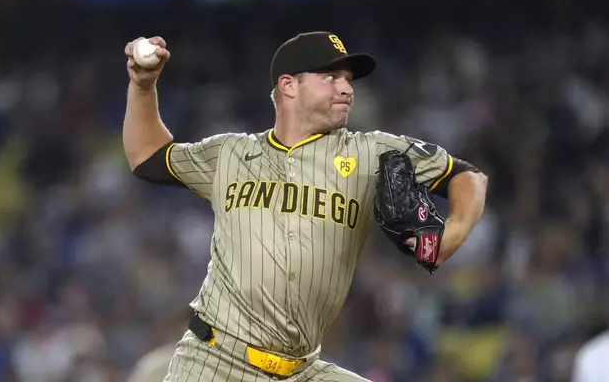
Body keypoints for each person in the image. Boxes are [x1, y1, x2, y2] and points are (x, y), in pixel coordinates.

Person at [122, 31, 488, 381]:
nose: (346, 88)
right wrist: (143, 86)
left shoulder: (372, 151)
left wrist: (448, 239)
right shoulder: (230, 153)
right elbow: (147, 156)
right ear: (289, 85)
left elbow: (469, 177)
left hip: (302, 370)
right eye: (331, 77)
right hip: (215, 361)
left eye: (348, 79)